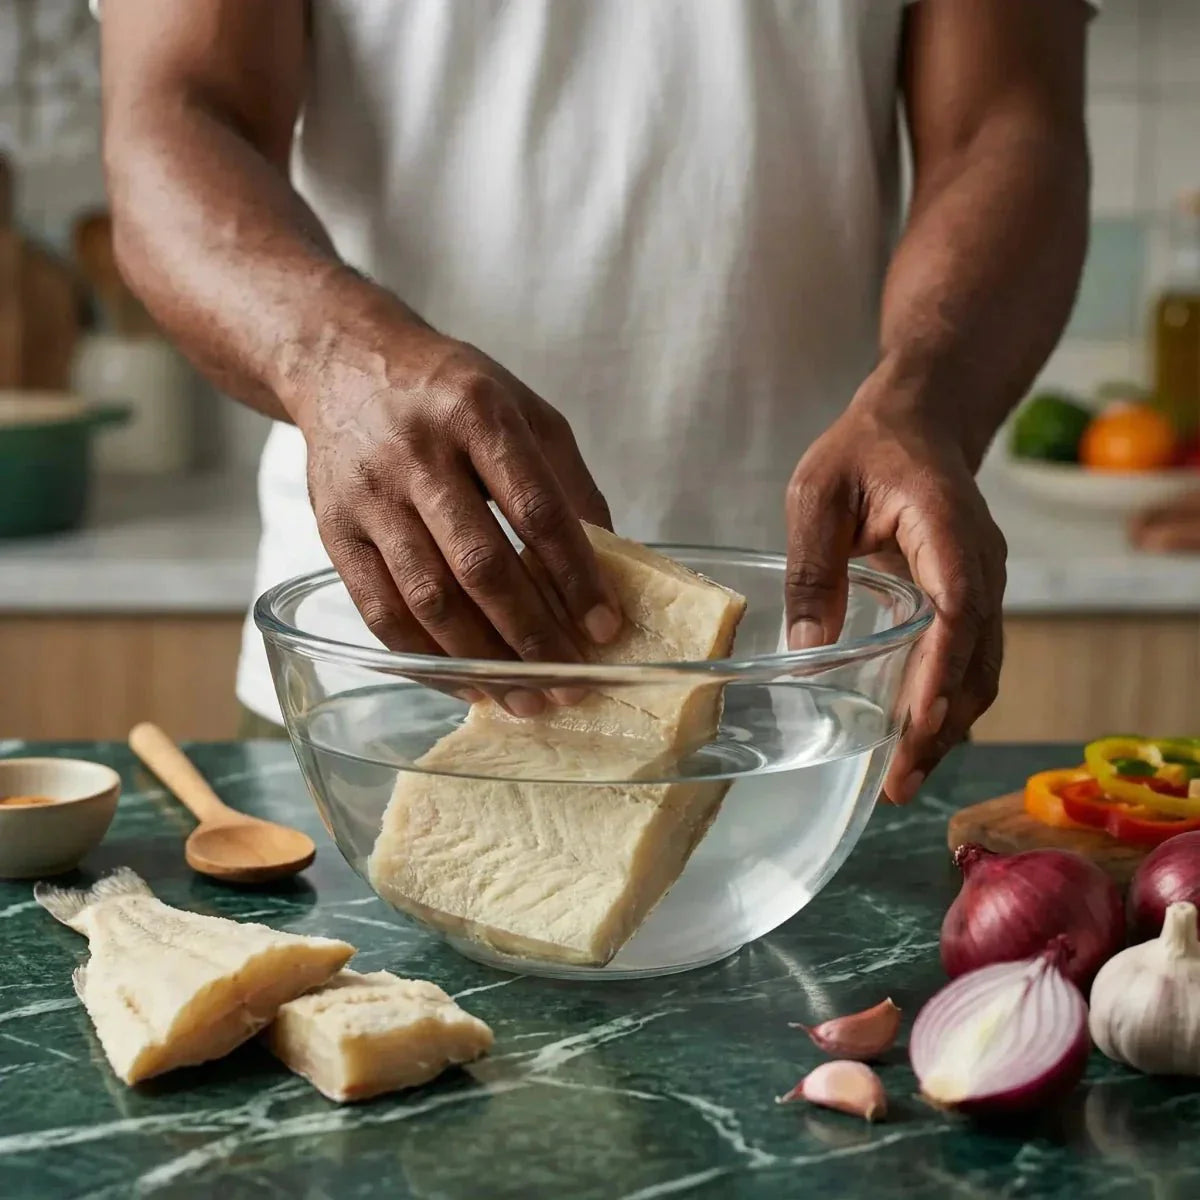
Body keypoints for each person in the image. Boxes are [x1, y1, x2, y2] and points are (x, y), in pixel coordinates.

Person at [97, 0, 1093, 803]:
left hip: (812, 699)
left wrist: (928, 398)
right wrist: (330, 357)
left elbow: (1003, 124)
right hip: (384, 682)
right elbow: (175, 109)